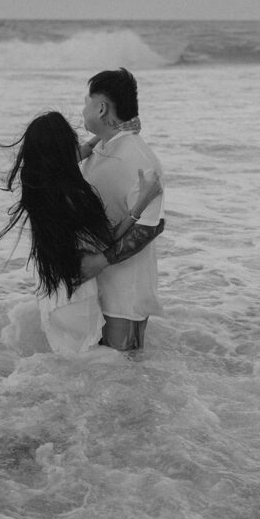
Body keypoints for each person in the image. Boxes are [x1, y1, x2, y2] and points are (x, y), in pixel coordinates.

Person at [0, 111, 162, 353]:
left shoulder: (36, 181)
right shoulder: (72, 198)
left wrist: (107, 136)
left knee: (71, 362)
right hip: (77, 297)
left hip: (55, 294)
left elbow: (73, 156)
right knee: (99, 367)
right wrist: (140, 204)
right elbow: (108, 239)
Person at [79, 68, 165, 352]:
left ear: (101, 107)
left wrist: (101, 260)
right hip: (93, 289)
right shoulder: (101, 149)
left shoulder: (139, 157)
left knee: (126, 380)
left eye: (86, 103)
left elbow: (150, 226)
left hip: (125, 295)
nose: (83, 110)